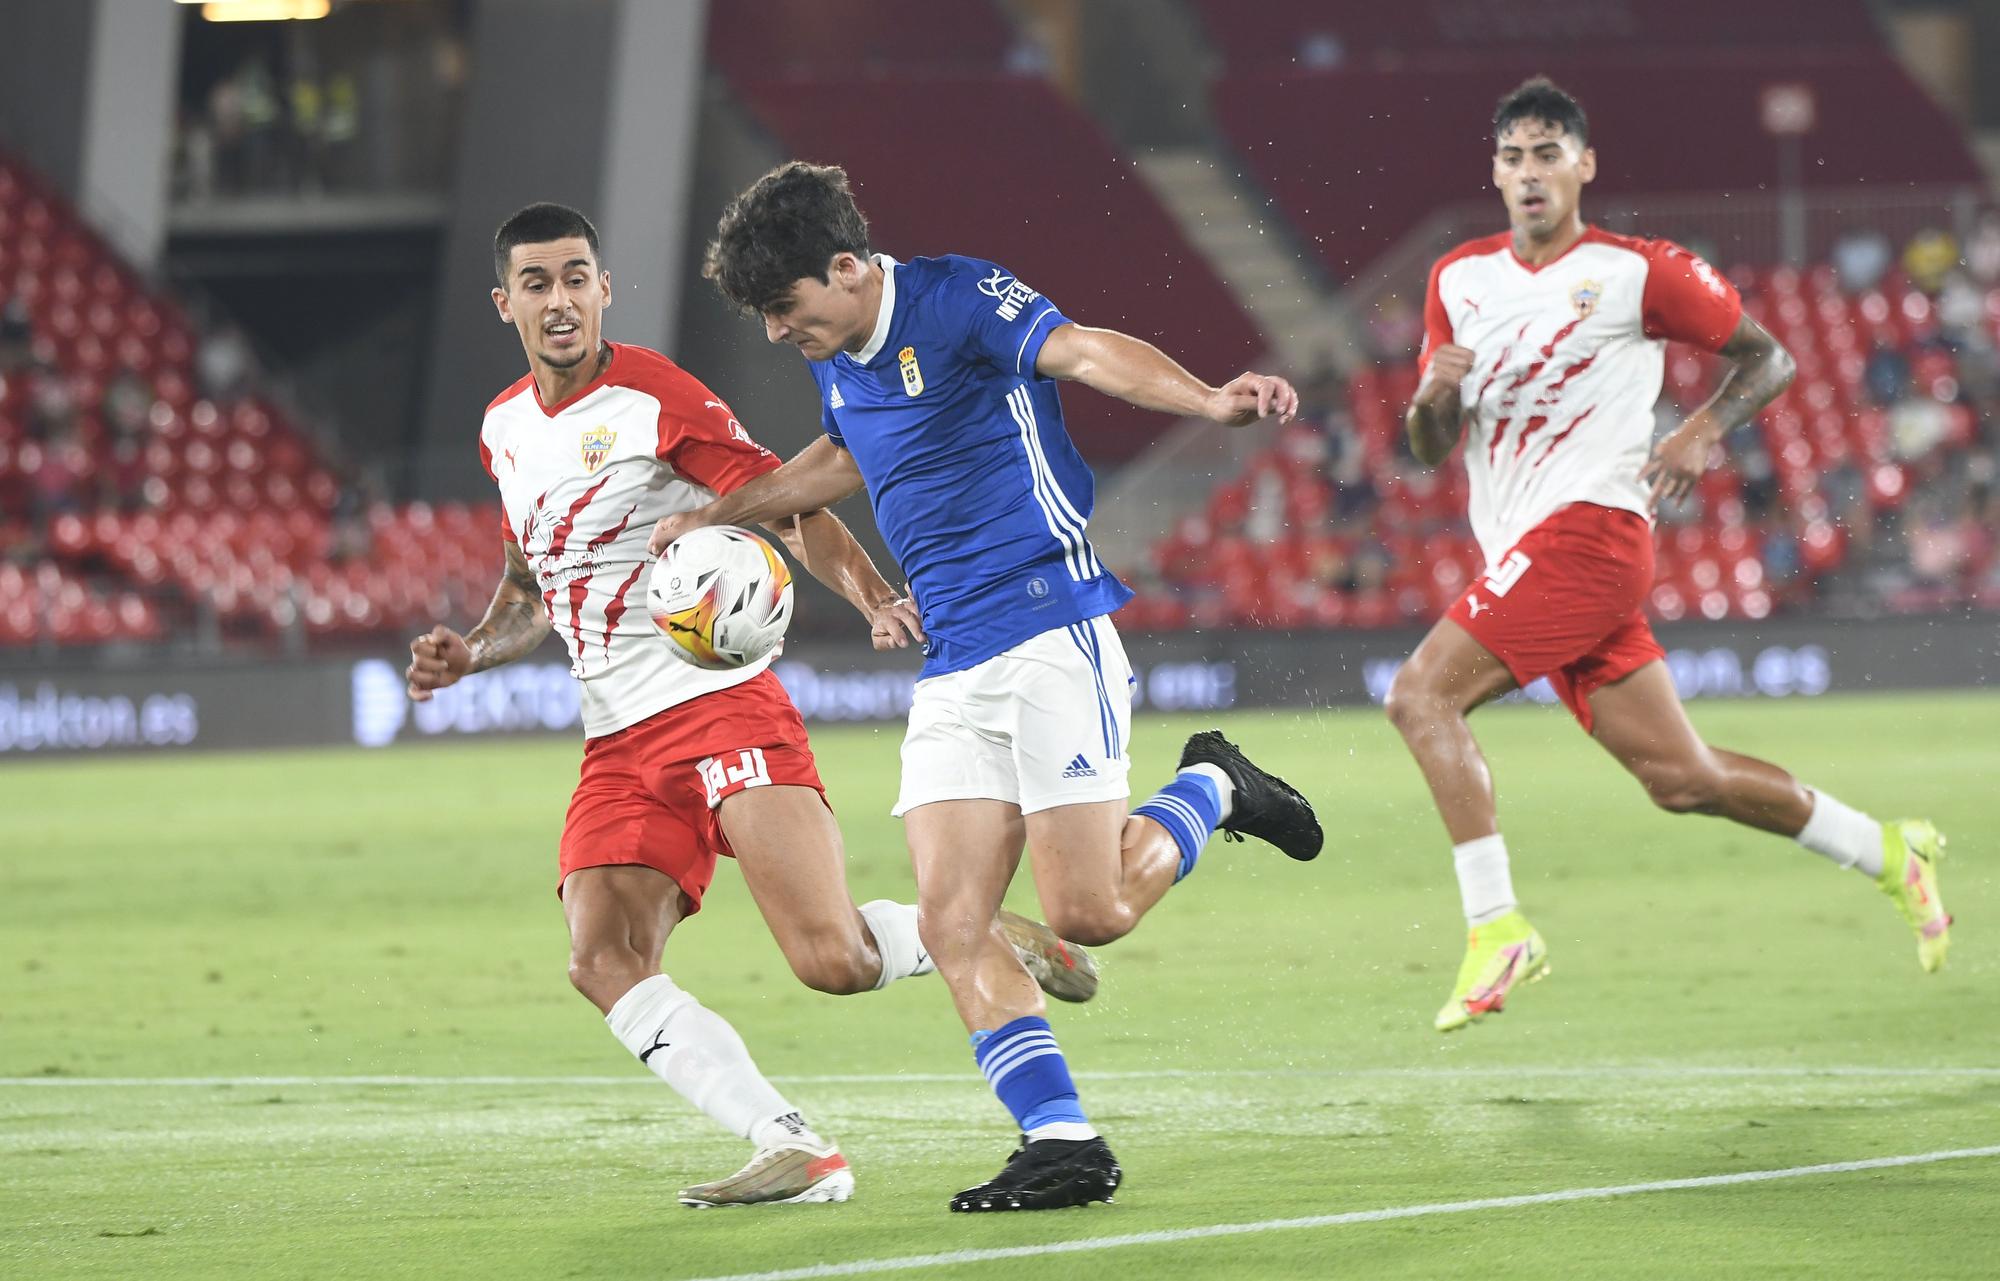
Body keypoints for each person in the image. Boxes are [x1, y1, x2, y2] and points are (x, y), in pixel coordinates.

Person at [651, 162, 1324, 1213]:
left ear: (844, 269)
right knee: (953, 919)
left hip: (1050, 627)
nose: (779, 332)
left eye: (785, 310)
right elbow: (837, 462)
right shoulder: (838, 358)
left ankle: (1215, 790)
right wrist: (718, 517)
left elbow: (1086, 350)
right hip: (951, 663)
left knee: (1087, 910)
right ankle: (1060, 1143)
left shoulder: (957, 298)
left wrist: (1205, 397)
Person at [404, 203, 1096, 1209]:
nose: (560, 301)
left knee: (833, 961)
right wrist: (471, 650)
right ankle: (793, 1146)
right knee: (600, 957)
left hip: (720, 705)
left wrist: (868, 595)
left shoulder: (655, 397)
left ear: (604, 289)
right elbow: (528, 588)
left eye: (577, 277)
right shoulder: (503, 429)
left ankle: (975, 930)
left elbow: (785, 498)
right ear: (505, 302)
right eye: (538, 283)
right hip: (615, 740)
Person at [1393, 78, 1951, 1034]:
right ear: (1495, 171)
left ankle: (1497, 925)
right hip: (1530, 545)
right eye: (1514, 157)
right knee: (1682, 779)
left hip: (1593, 533)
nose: (1531, 174)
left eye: (1548, 154)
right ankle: (1889, 848)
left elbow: (1769, 358)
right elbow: (1427, 446)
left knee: (1420, 696)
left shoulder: (1635, 272)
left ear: (1584, 165)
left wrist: (1698, 430)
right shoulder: (1458, 280)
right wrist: (1433, 395)